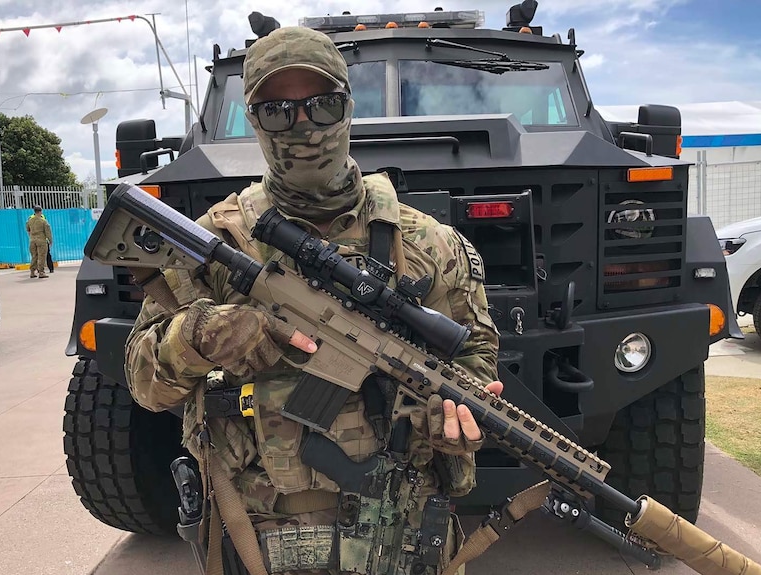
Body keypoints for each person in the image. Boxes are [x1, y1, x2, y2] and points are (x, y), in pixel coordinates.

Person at [125, 26, 501, 575]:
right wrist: (201, 336)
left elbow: (475, 357)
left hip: (402, 534)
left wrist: (460, 415)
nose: (303, 127)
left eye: (322, 106)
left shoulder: (429, 244)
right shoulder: (215, 245)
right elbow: (142, 381)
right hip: (254, 536)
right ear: (254, 121)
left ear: (347, 109)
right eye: (278, 111)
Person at [26, 205, 52, 278]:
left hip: (32, 240)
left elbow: (27, 229)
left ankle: (32, 271)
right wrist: (50, 240)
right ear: (40, 211)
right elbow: (48, 232)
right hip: (41, 240)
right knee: (41, 256)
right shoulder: (43, 221)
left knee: (34, 256)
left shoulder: (30, 220)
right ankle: (41, 272)